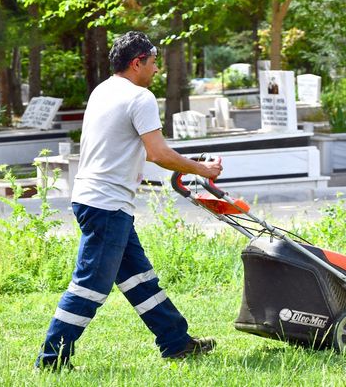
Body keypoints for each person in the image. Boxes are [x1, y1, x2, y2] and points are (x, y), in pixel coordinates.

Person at [35, 31, 223, 370]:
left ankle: (176, 342)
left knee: (139, 279)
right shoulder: (140, 97)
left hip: (94, 199)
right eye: (152, 64)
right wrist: (202, 169)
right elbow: (158, 153)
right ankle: (51, 360)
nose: (156, 71)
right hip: (106, 204)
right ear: (137, 63)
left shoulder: (103, 90)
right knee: (90, 286)